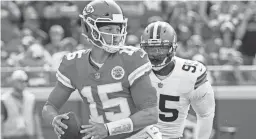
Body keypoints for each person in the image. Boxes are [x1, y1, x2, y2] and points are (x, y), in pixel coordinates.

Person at [42, 0, 161, 139]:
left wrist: (108, 129)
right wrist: (54, 119)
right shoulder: (73, 64)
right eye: (109, 29)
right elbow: (49, 106)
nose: (115, 35)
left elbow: (150, 114)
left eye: (118, 29)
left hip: (139, 136)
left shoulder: (132, 58)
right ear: (89, 29)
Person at [140, 21, 215, 139]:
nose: (155, 54)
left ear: (172, 47)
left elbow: (205, 114)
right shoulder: (134, 70)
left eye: (161, 48)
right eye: (151, 49)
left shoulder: (191, 74)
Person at [1, 70, 44, 139]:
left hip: (28, 135)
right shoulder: (4, 99)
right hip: (11, 136)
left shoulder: (31, 98)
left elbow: (36, 118)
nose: (23, 83)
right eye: (20, 81)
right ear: (13, 82)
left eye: (25, 81)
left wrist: (40, 136)